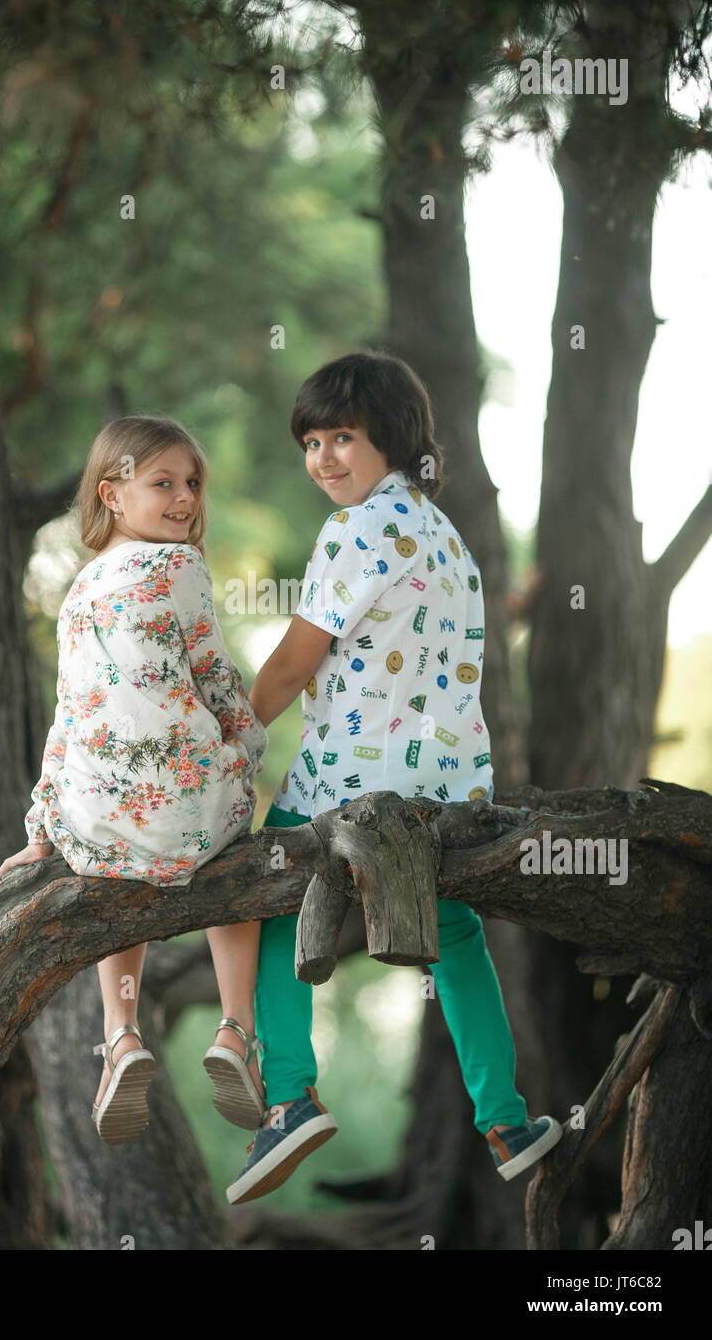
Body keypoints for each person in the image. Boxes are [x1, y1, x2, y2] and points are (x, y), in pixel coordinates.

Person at [226, 349, 563, 1205]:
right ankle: (508, 1121)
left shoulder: (357, 530)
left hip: (349, 782)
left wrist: (230, 736)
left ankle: (291, 1098)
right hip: (446, 791)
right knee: (453, 940)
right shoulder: (443, 534)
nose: (323, 458)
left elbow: (298, 659)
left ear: (394, 438)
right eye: (311, 441)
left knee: (268, 906)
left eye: (344, 436)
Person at [0, 415, 270, 1145]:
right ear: (111, 493)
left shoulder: (78, 590)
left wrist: (42, 829)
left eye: (193, 484)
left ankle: (121, 1036)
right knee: (237, 845)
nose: (184, 500)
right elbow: (215, 675)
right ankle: (236, 1030)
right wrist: (249, 746)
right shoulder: (183, 568)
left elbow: (69, 717)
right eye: (163, 483)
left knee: (113, 866)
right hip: (189, 808)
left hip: (102, 814)